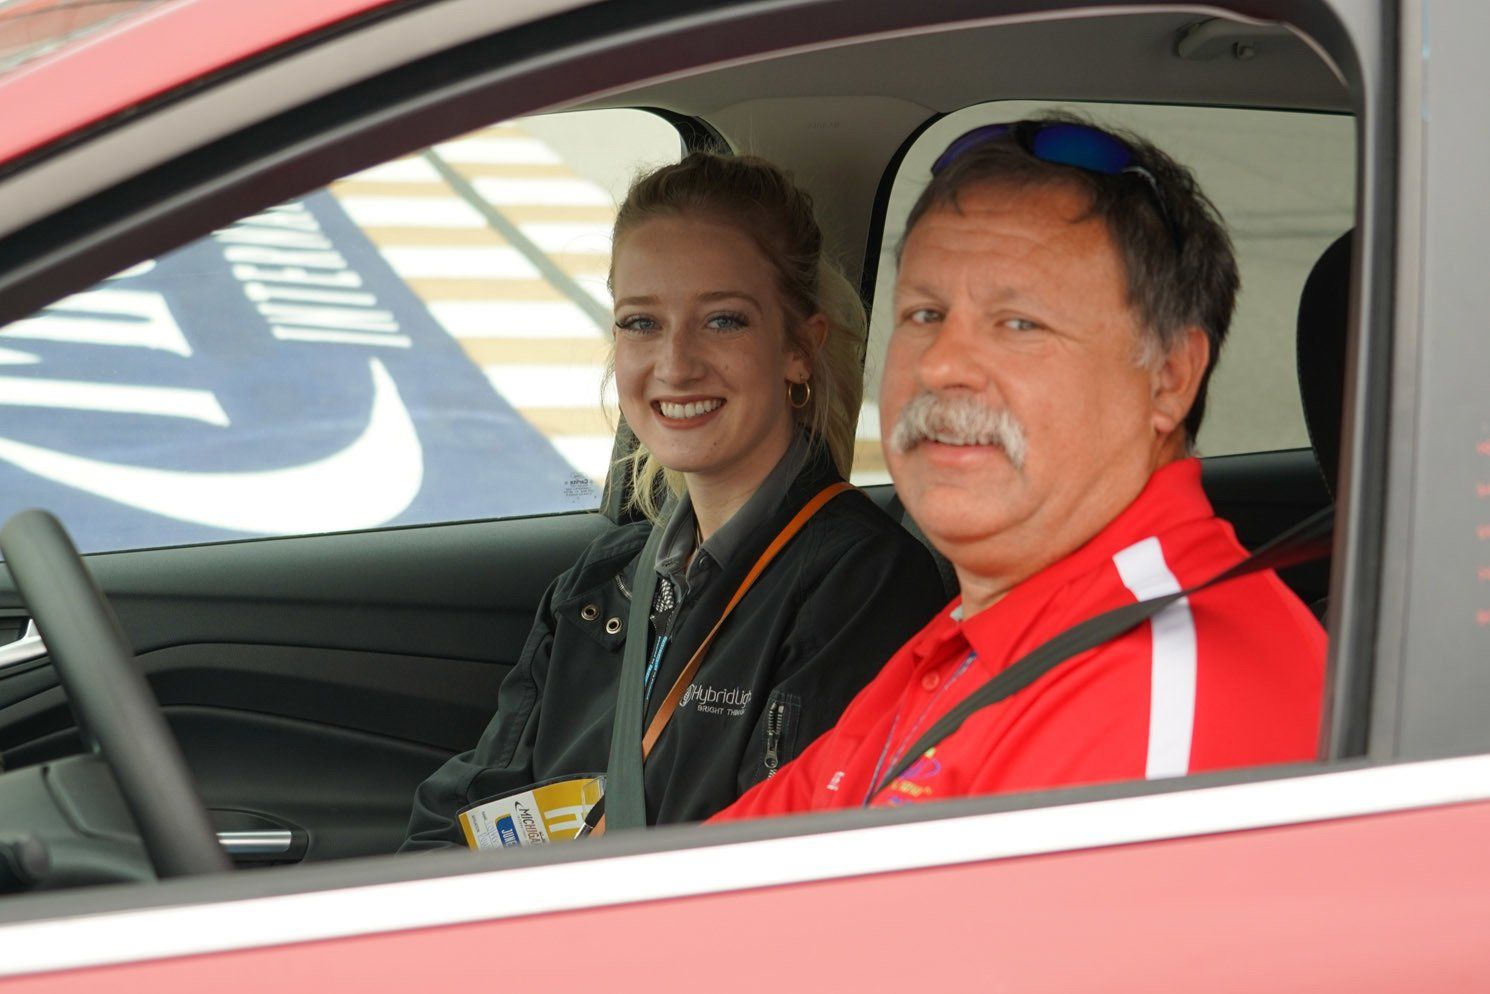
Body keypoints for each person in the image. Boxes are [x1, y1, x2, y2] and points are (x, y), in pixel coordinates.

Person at [711, 116, 1326, 821]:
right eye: (925, 314)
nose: (942, 365)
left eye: (1019, 323)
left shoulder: (1162, 686)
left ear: (1169, 378)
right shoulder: (970, 632)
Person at [401, 152, 944, 848]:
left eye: (723, 320)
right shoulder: (606, 578)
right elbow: (465, 812)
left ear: (799, 349)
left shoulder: (862, 584)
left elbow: (779, 861)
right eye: (641, 323)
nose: (676, 364)